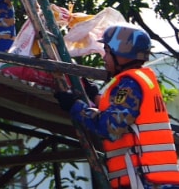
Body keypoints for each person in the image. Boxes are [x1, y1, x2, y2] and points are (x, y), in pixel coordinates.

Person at [54, 25, 179, 189]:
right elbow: (125, 117)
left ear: (122, 55)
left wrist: (75, 106)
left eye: (107, 51)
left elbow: (110, 127)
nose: (104, 57)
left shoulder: (130, 84)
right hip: (149, 180)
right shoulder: (140, 81)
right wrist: (94, 96)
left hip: (143, 181)